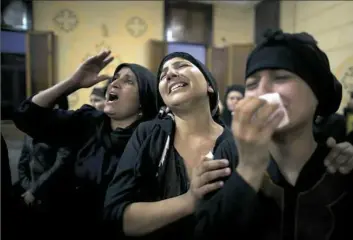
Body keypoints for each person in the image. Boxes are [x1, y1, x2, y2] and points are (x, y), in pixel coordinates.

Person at [194, 30, 353, 240]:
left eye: (281, 78)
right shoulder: (226, 157)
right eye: (251, 84)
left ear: (318, 94)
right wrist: (249, 168)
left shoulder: (341, 166)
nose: (263, 91)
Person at [12, 50, 158, 238]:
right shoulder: (88, 121)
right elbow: (26, 117)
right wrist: (73, 83)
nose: (114, 82)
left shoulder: (152, 142)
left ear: (143, 101)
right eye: (115, 78)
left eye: (128, 81)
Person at [104, 52, 237, 239]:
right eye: (163, 74)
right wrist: (189, 200)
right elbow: (116, 216)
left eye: (181, 66)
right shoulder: (148, 135)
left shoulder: (236, 145)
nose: (170, 74)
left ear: (209, 85)